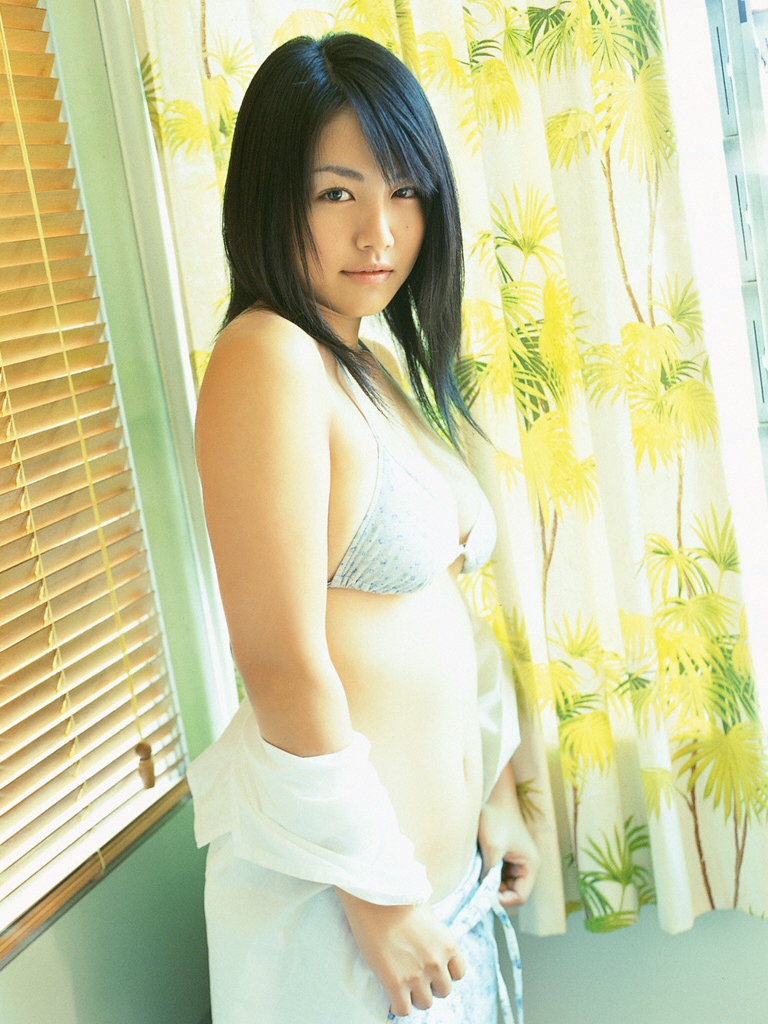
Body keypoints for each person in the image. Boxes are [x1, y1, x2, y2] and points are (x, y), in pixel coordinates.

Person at [187, 32, 539, 1024]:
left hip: (438, 907)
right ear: (272, 199)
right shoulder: (266, 356)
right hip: (346, 920)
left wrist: (495, 793)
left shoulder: (364, 359)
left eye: (405, 191)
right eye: (337, 193)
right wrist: (380, 902)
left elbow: (438, 611)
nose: (379, 231)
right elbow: (280, 661)